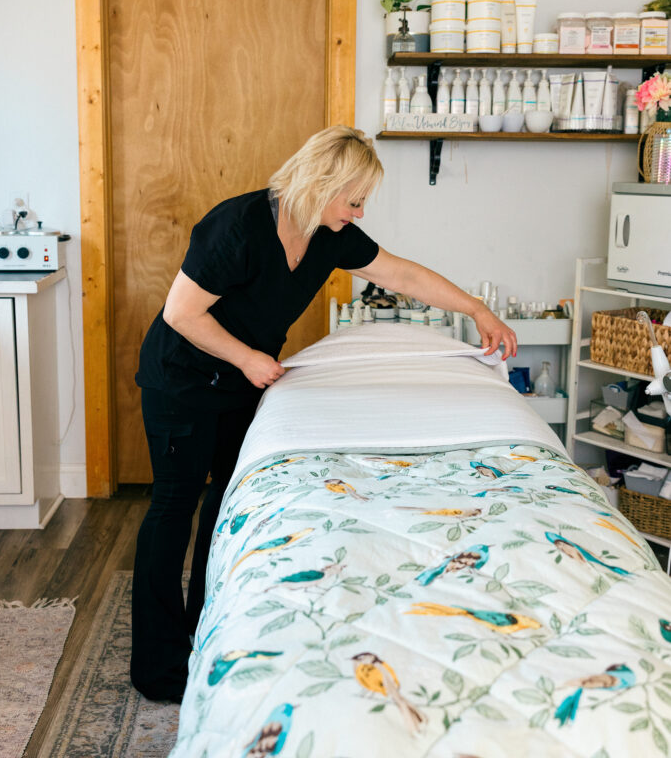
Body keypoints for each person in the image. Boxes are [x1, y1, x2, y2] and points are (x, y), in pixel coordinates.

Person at [131, 125, 517, 701]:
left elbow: (403, 274)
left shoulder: (330, 235)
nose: (359, 211)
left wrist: (478, 309)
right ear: (319, 184)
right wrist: (247, 358)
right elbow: (182, 313)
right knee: (174, 505)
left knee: (225, 501)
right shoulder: (236, 227)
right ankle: (158, 667)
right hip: (182, 381)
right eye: (353, 198)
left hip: (241, 382)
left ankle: (203, 628)